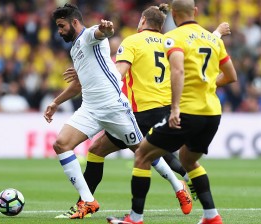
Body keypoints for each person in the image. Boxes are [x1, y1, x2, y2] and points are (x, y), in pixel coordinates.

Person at [55, 3, 231, 219]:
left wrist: (104, 46)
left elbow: (116, 66)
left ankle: (170, 192)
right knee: (109, 150)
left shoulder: (132, 41)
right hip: (168, 105)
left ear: (143, 22)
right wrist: (217, 32)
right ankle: (88, 201)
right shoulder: (170, 39)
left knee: (143, 152)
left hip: (135, 109)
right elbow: (200, 46)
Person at [107, 0, 237, 223]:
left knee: (142, 155)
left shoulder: (173, 37)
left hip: (186, 111)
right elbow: (231, 76)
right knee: (188, 160)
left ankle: (135, 218)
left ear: (173, 14)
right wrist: (207, 84)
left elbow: (177, 70)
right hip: (212, 113)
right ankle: (211, 217)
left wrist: (175, 107)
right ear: (195, 11)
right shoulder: (212, 40)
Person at [45, 3, 145, 219]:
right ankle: (88, 201)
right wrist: (56, 103)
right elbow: (78, 85)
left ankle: (179, 182)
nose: (59, 31)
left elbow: (102, 33)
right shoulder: (75, 49)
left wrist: (107, 29)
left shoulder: (89, 34)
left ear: (74, 22)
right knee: (61, 144)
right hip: (91, 108)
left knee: (144, 151)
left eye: (61, 26)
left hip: (113, 105)